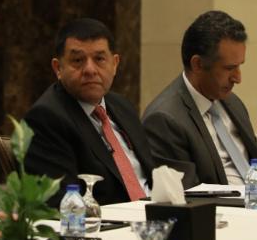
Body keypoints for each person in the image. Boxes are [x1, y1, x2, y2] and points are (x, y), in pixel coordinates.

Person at [23, 18, 158, 206]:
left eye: (99, 59)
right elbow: (63, 205)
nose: (90, 70)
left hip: (157, 211)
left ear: (115, 64)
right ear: (58, 68)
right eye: (78, 60)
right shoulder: (46, 118)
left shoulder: (122, 106)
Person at [142, 10, 257, 186]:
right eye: (229, 68)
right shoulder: (164, 120)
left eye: (239, 66)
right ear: (197, 64)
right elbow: (188, 194)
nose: (238, 78)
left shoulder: (233, 103)